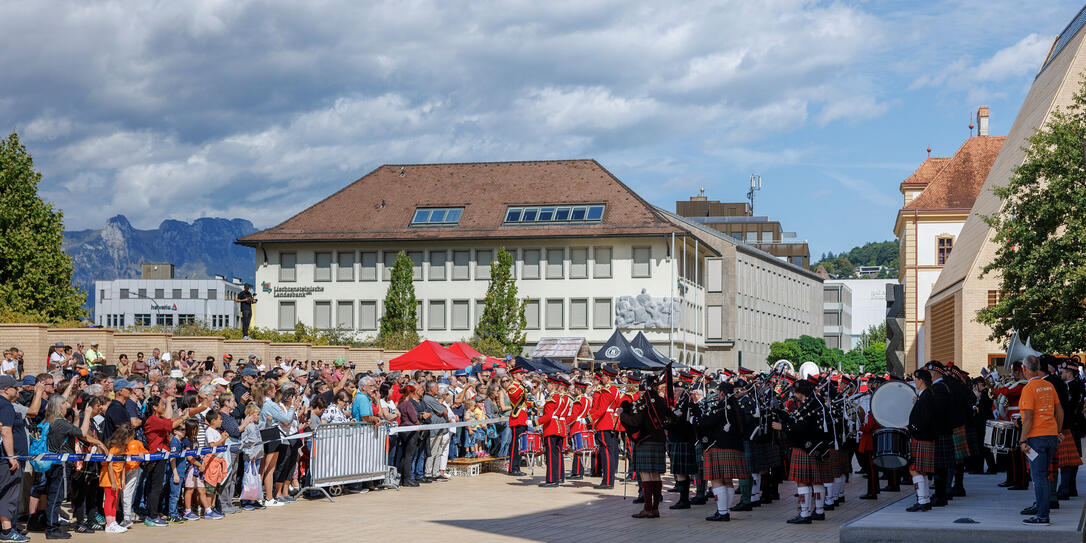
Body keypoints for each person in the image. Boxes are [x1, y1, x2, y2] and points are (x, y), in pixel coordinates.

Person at [772, 379, 829, 524]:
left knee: (802, 482)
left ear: (800, 392)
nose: (794, 394)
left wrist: (782, 427)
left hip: (806, 447)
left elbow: (801, 427)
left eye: (795, 392)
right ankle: (819, 511)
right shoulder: (811, 402)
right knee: (816, 481)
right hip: (813, 447)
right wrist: (781, 412)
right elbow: (795, 419)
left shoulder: (812, 404)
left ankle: (805, 514)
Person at [1019, 355, 1063, 526]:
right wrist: (1058, 430)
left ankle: (1042, 515)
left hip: (1036, 438)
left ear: (1024, 369)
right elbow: (1059, 411)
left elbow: (1028, 418)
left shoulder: (1029, 389)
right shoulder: (1049, 385)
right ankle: (1041, 508)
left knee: (1039, 477)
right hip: (1051, 436)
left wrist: (1022, 440)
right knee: (1044, 475)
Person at [698, 382, 749, 522]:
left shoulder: (721, 407)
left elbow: (706, 422)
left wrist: (696, 419)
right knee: (728, 481)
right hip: (735, 447)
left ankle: (722, 512)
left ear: (721, 393)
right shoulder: (736, 406)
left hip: (718, 446)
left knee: (716, 479)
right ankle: (724, 510)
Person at [0, 375, 28, 542]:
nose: (17, 390)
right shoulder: (5, 405)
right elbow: (5, 431)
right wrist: (11, 457)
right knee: (9, 493)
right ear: (5, 389)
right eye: (15, 388)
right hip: (4, 459)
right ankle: (6, 531)